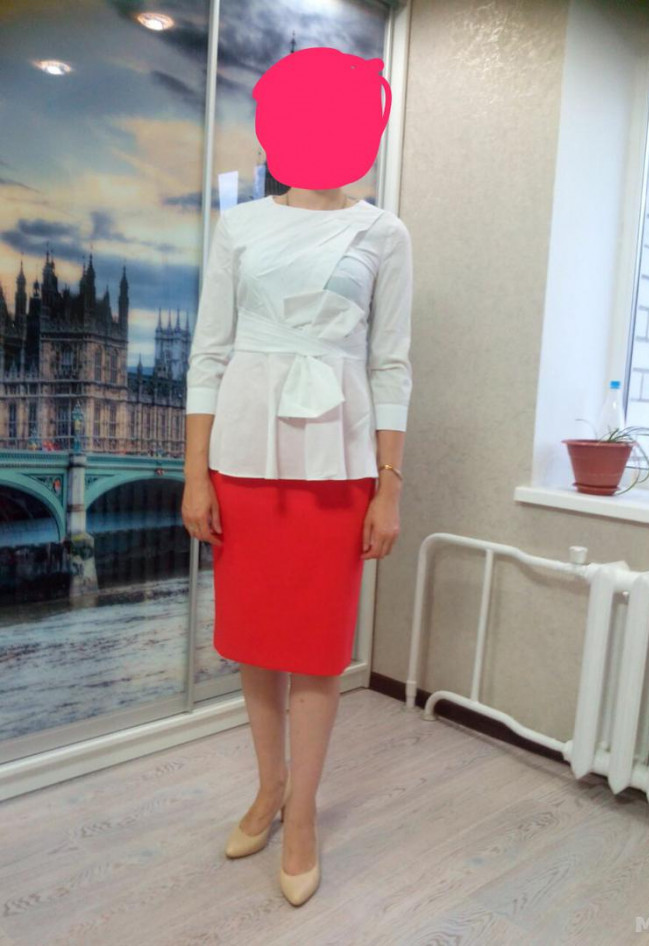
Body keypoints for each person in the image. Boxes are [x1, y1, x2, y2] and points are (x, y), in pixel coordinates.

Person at [182, 183, 412, 906]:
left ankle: (302, 813)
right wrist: (196, 475)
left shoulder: (384, 233)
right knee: (257, 640)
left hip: (336, 463)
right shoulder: (240, 225)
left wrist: (389, 488)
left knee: (315, 645)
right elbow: (208, 354)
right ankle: (269, 787)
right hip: (244, 457)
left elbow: (390, 364)